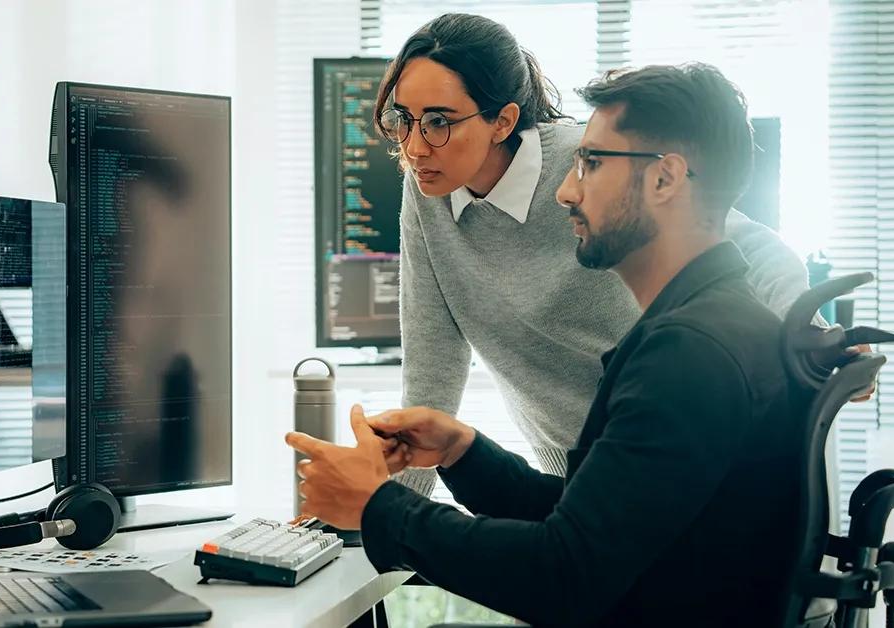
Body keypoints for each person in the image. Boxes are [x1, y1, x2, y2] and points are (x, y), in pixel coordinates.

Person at [287, 64, 803, 627]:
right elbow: (591, 525)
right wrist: (465, 454)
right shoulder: (706, 327)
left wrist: (377, 507)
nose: (565, 190)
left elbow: (562, 574)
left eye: (592, 163)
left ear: (665, 179)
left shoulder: (689, 356)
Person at [379, 13, 817, 480]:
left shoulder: (589, 164)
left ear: (503, 121)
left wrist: (806, 333)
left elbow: (745, 243)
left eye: (438, 122)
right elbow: (433, 360)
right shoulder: (428, 190)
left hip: (680, 450)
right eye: (402, 119)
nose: (414, 147)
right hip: (573, 471)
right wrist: (386, 522)